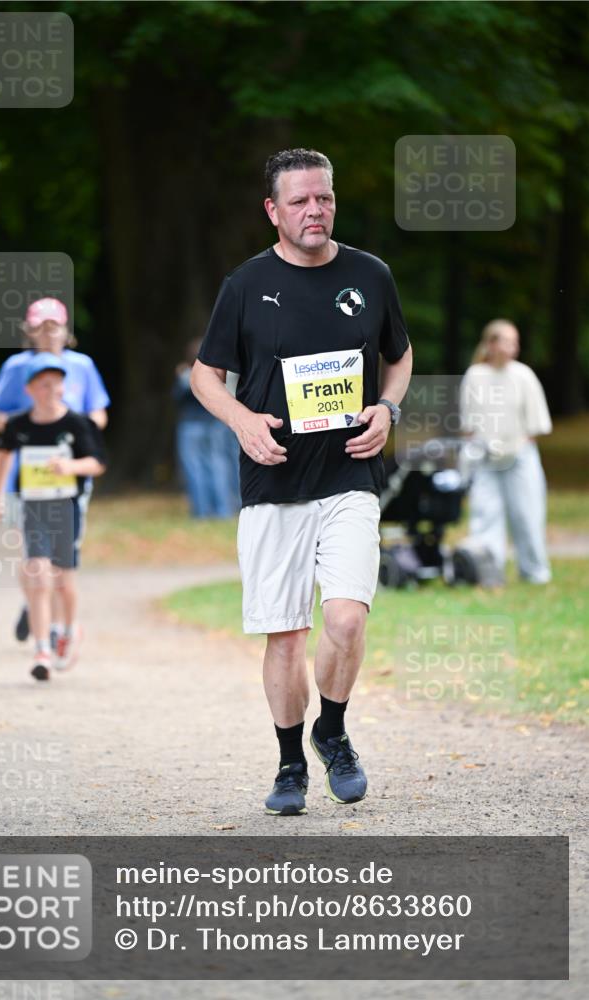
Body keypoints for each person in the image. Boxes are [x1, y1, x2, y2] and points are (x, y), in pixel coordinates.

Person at [191, 148, 412, 816]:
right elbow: (206, 376)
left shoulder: (368, 275)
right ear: (272, 211)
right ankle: (290, 764)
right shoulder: (245, 284)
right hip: (273, 480)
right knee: (285, 634)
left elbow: (396, 358)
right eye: (299, 202)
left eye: (324, 198)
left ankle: (332, 731)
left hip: (350, 474)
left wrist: (387, 408)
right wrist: (238, 421)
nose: (314, 211)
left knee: (344, 618)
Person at [0, 297, 110, 643]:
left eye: (53, 326)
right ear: (29, 331)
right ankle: (38, 610)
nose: (47, 333)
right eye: (40, 326)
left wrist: (74, 432)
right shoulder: (16, 367)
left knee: (63, 555)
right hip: (26, 477)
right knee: (33, 555)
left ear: (66, 330)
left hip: (70, 477)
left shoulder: (81, 366)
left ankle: (54, 625)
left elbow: (99, 412)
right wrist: (27, 430)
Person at [0, 353, 107, 681]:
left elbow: (97, 462)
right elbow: (3, 454)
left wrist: (70, 467)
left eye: (56, 383)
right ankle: (42, 647)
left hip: (65, 506)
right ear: (29, 389)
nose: (51, 389)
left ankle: (68, 629)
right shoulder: (19, 425)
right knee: (38, 572)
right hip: (33, 506)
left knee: (63, 579)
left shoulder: (77, 424)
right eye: (43, 384)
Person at [459, 318, 552, 584]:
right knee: (486, 515)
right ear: (490, 344)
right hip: (485, 459)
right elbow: (468, 424)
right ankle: (490, 572)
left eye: (515, 342)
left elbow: (536, 424)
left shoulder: (523, 375)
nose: (512, 348)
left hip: (521, 457)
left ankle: (535, 572)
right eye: (507, 341)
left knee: (527, 514)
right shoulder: (475, 375)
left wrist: (517, 446)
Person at [173, 338, 240, 517]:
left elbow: (177, 397)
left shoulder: (188, 375)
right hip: (216, 424)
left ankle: (202, 511)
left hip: (191, 425)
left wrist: (181, 375)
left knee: (194, 468)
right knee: (219, 465)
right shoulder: (221, 375)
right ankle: (223, 509)